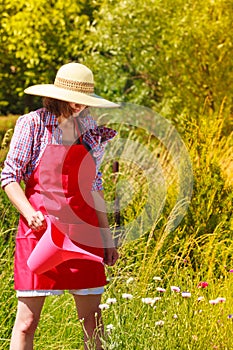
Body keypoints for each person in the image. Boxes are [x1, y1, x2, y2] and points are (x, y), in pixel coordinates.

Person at [1, 62, 119, 350]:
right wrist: (29, 213)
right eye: (73, 98)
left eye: (84, 100)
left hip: (83, 234)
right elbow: (9, 177)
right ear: (56, 95)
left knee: (91, 320)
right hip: (39, 235)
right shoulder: (32, 124)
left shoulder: (90, 129)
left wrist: (106, 238)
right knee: (27, 322)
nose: (79, 106)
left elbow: (94, 187)